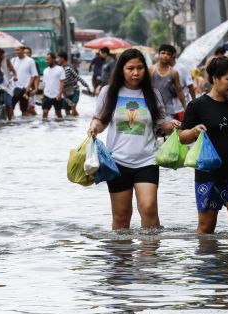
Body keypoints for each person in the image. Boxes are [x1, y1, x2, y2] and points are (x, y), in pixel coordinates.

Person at [88, 49, 180, 230]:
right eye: (130, 68)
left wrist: (173, 125)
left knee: (149, 209)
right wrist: (94, 128)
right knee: (121, 216)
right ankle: (122, 257)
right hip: (117, 162)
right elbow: (100, 119)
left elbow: (161, 123)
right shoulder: (109, 92)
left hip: (147, 160)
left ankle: (149, 256)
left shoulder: (152, 94)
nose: (136, 73)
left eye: (140, 68)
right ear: (121, 69)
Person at [179, 56, 228, 234]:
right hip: (209, 176)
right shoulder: (197, 105)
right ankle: (206, 261)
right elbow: (183, 138)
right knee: (207, 228)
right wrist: (193, 132)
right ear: (215, 79)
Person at [149, 44, 187, 122]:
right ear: (159, 54)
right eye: (163, 53)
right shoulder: (151, 70)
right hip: (152, 107)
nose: (165, 56)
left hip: (168, 109)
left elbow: (179, 91)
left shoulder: (174, 73)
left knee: (167, 132)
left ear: (171, 57)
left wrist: (185, 107)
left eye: (168, 54)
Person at [58, 51, 91, 117]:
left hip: (74, 90)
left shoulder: (69, 68)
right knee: (67, 111)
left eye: (58, 58)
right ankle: (70, 124)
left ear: (63, 58)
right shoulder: (58, 69)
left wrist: (86, 85)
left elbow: (77, 77)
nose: (57, 60)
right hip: (65, 93)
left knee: (73, 106)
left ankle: (76, 122)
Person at [11, 45, 39, 116]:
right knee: (10, 107)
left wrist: (29, 86)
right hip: (14, 89)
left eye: (18, 50)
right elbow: (10, 73)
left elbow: (34, 75)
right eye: (15, 50)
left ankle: (26, 125)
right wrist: (13, 76)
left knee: (25, 109)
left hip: (25, 90)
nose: (16, 52)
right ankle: (11, 124)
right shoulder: (13, 60)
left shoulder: (30, 61)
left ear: (23, 50)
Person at [41, 52, 66, 119]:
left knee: (58, 113)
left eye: (48, 59)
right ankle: (45, 127)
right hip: (47, 95)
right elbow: (45, 83)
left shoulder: (60, 69)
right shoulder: (45, 70)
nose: (47, 61)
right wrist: (43, 95)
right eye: (46, 59)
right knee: (45, 113)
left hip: (57, 95)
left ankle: (61, 127)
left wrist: (60, 94)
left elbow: (62, 82)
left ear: (53, 59)